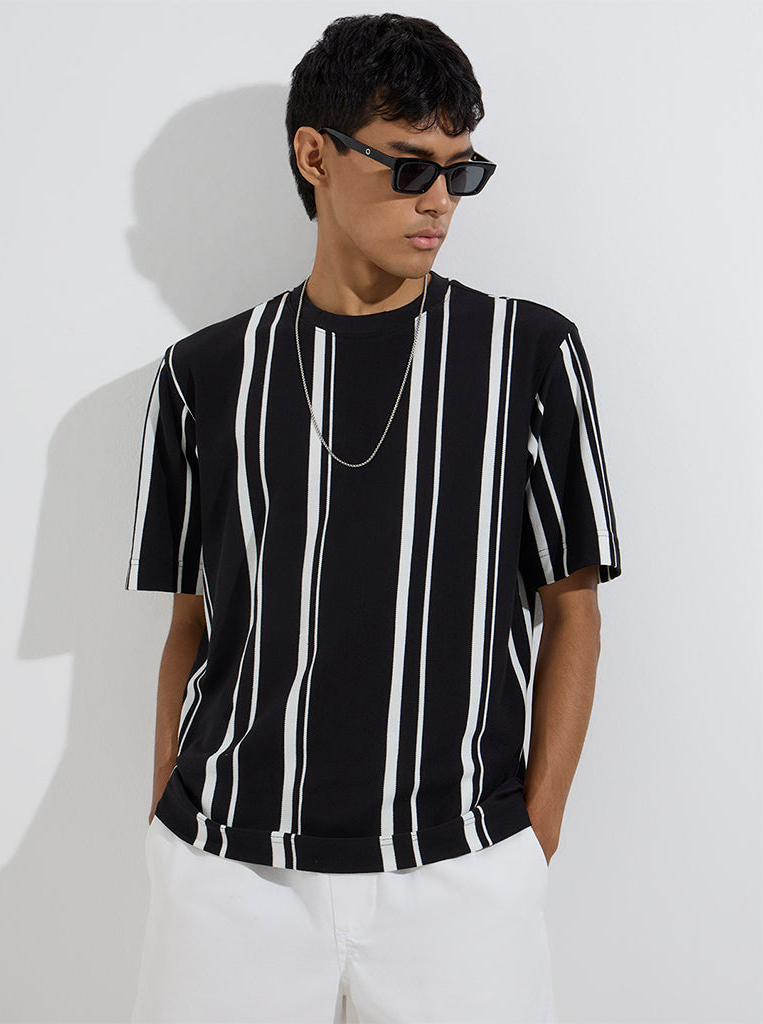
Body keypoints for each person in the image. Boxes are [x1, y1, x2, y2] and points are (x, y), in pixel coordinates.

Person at [126, 13, 621, 1024]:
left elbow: (573, 609)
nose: (439, 200)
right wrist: (167, 801)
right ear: (314, 155)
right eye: (409, 167)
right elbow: (190, 618)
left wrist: (533, 839)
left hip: (461, 874)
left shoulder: (528, 357)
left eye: (461, 171)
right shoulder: (204, 376)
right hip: (230, 875)